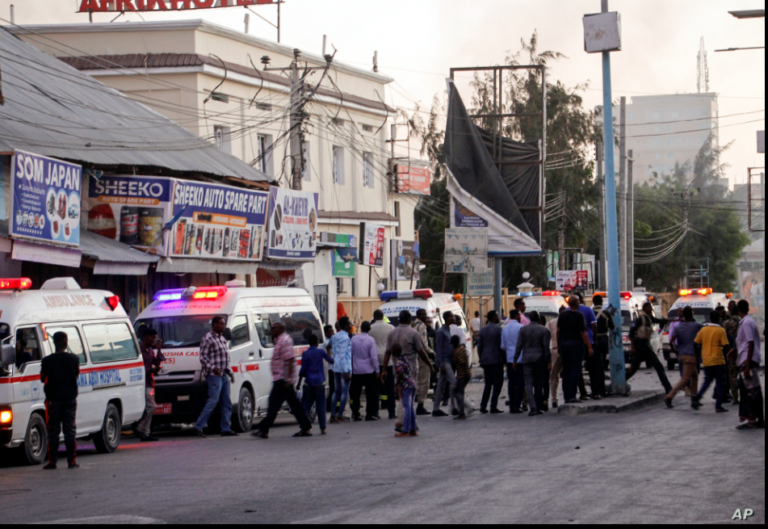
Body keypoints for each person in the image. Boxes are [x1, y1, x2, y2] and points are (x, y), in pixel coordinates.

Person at [253, 321, 313, 439]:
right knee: (294, 406)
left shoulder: (284, 341)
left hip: (283, 380)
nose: (271, 330)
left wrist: (289, 379)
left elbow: (290, 360)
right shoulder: (280, 341)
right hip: (282, 379)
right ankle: (306, 427)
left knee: (274, 405)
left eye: (273, 328)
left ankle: (263, 429)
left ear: (279, 329)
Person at [381, 310, 434, 433]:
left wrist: (384, 369)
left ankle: (410, 423)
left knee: (403, 396)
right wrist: (430, 365)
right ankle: (403, 422)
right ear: (409, 319)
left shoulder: (392, 333)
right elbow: (421, 352)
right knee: (407, 398)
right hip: (411, 369)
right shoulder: (413, 333)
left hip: (397, 369)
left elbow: (387, 352)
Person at [40, 332, 80, 470]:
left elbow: (42, 378)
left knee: (53, 431)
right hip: (70, 399)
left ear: (54, 343)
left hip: (53, 401)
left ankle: (53, 462)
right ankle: (71, 462)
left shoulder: (47, 361)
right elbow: (76, 375)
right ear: (66, 342)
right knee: (69, 430)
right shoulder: (74, 359)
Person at [194, 316, 238, 438]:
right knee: (213, 401)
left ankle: (225, 428)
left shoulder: (222, 338)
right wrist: (213, 368)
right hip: (214, 375)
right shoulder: (208, 338)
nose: (224, 326)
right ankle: (198, 426)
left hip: (223, 375)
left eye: (224, 324)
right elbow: (203, 357)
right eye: (221, 324)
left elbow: (224, 358)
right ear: (214, 324)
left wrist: (230, 372)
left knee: (226, 402)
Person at [627, 303, 673, 396]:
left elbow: (659, 320)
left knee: (636, 368)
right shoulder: (640, 318)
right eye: (649, 307)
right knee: (656, 367)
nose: (651, 309)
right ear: (644, 308)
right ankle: (668, 388)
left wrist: (672, 320)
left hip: (645, 346)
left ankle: (668, 388)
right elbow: (631, 332)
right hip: (640, 346)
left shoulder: (649, 318)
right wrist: (633, 346)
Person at [731, 300, 764, 429]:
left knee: (751, 391)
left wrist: (748, 365)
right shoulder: (748, 321)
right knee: (754, 390)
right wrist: (735, 351)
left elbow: (750, 342)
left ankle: (752, 419)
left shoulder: (746, 323)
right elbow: (745, 342)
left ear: (739, 310)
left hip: (747, 360)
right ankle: (759, 419)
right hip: (748, 358)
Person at [513, 311, 552, 416]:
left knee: (528, 383)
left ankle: (533, 407)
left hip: (526, 359)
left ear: (529, 318)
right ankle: (538, 407)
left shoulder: (523, 329)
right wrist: (548, 361)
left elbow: (519, 346)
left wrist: (515, 359)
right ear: (539, 319)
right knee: (539, 383)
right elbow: (546, 348)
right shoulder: (544, 330)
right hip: (539, 358)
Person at [664, 306, 703, 408]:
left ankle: (694, 398)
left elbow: (671, 341)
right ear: (691, 315)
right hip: (691, 356)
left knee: (694, 376)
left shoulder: (678, 327)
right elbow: (705, 328)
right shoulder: (695, 326)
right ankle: (669, 396)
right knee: (685, 379)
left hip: (682, 355)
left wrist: (675, 351)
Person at [691, 311, 730, 413]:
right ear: (718, 319)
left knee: (707, 381)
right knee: (721, 383)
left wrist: (698, 354)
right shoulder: (721, 330)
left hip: (707, 360)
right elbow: (726, 345)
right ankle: (718, 406)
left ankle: (697, 397)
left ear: (710, 318)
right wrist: (729, 356)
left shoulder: (703, 330)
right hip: (718, 360)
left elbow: (695, 343)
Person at [557, 296, 593, 404]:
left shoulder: (562, 315)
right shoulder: (579, 315)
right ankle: (572, 395)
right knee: (575, 370)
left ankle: (566, 396)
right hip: (576, 345)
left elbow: (558, 331)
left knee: (566, 370)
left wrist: (559, 345)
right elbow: (583, 333)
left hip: (564, 345)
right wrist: (589, 347)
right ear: (577, 303)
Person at [298, 333, 334, 435]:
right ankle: (323, 428)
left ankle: (304, 427)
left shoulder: (305, 354)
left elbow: (303, 370)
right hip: (320, 382)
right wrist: (329, 352)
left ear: (309, 343)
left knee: (306, 406)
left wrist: (299, 382)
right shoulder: (321, 352)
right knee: (321, 406)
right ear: (317, 343)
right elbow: (331, 360)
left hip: (308, 383)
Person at [350, 321, 380, 422]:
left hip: (356, 370)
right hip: (368, 370)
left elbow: (350, 353)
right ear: (369, 329)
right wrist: (377, 370)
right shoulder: (371, 340)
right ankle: (369, 414)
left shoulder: (354, 339)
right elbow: (373, 357)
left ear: (361, 328)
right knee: (370, 393)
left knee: (355, 394)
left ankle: (356, 413)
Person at [136, 328, 163, 442]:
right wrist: (152, 370)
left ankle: (146, 433)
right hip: (142, 382)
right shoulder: (139, 349)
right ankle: (141, 428)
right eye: (152, 337)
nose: (154, 339)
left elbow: (157, 362)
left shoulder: (150, 350)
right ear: (146, 337)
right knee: (151, 406)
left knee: (148, 407)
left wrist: (159, 349)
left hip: (149, 382)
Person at [369, 310, 395, 419]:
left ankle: (375, 412)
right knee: (390, 388)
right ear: (383, 316)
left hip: (375, 361)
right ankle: (391, 412)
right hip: (388, 360)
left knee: (375, 388)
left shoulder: (370, 328)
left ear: (374, 317)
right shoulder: (391, 328)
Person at [478, 311, 505, 414]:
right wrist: (504, 359)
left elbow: (480, 346)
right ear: (494, 317)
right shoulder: (498, 330)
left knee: (488, 384)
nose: (499, 317)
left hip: (486, 360)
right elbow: (501, 346)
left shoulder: (483, 330)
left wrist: (481, 358)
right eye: (497, 315)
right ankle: (493, 406)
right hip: (496, 360)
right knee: (498, 384)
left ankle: (483, 406)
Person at [578, 294, 605, 399]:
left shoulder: (566, 311)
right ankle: (595, 392)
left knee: (577, 369)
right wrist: (594, 339)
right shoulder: (587, 310)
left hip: (575, 344)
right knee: (593, 369)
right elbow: (594, 325)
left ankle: (583, 394)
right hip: (588, 342)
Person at [328, 317, 353, 424]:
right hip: (344, 367)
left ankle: (333, 415)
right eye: (349, 323)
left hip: (336, 366)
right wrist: (346, 371)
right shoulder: (345, 338)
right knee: (344, 392)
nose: (351, 324)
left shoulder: (334, 336)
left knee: (336, 391)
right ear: (345, 326)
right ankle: (340, 415)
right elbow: (343, 355)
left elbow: (329, 347)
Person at [433, 311, 457, 417]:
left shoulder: (448, 330)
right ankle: (454, 407)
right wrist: (441, 364)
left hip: (449, 361)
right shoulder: (441, 332)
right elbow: (438, 349)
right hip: (445, 362)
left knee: (441, 386)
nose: (453, 318)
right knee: (454, 382)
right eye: (451, 316)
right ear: (447, 318)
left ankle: (436, 409)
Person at [412, 309, 436, 416]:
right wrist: (432, 353)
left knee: (416, 380)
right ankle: (420, 405)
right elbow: (423, 344)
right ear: (420, 315)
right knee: (424, 380)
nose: (426, 317)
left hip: (413, 356)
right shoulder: (421, 326)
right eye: (424, 315)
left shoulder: (412, 324)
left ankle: (414, 402)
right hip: (422, 356)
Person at [501, 309, 524, 413]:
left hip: (510, 359)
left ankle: (511, 405)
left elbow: (503, 346)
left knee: (511, 382)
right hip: (520, 359)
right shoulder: (521, 328)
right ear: (517, 315)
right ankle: (517, 405)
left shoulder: (505, 329)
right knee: (520, 383)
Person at [392, 344, 417, 437]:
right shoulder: (404, 358)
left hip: (405, 386)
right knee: (411, 408)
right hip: (412, 383)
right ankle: (413, 429)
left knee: (406, 408)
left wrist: (396, 384)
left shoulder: (397, 361)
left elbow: (401, 373)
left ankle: (405, 430)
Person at [723, 300, 742, 405]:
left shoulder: (727, 323)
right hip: (743, 351)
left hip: (732, 352)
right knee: (744, 373)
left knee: (733, 375)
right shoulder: (744, 321)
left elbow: (723, 338)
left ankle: (735, 397)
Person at [547, 306, 565, 408]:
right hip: (566, 350)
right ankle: (568, 396)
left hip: (554, 349)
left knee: (554, 376)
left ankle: (554, 398)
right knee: (568, 374)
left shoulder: (551, 323)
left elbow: (545, 336)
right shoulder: (569, 322)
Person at [592, 295, 614, 374]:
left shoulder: (590, 312)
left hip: (593, 340)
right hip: (604, 339)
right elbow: (612, 326)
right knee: (603, 358)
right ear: (601, 302)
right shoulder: (606, 313)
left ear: (593, 302)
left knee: (594, 360)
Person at [451, 335, 471, 420]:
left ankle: (464, 410)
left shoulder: (456, 351)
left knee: (457, 393)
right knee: (460, 393)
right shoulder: (463, 349)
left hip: (461, 375)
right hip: (467, 374)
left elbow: (461, 362)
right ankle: (462, 411)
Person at [323, 325, 336, 412]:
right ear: (326, 333)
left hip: (332, 367)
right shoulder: (326, 342)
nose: (332, 333)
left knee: (333, 387)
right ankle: (328, 406)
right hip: (329, 368)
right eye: (331, 331)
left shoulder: (332, 340)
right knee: (331, 388)